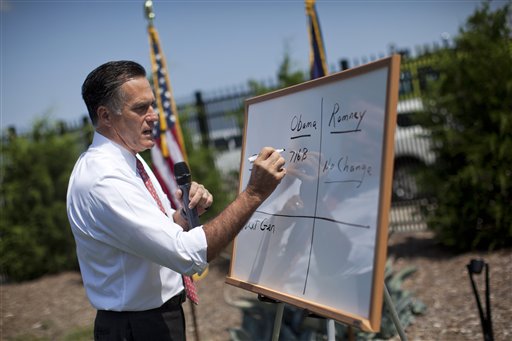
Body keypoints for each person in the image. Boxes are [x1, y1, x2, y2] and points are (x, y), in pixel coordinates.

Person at [66, 60, 286, 340]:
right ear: (106, 116)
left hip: (152, 319)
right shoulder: (104, 178)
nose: (154, 115)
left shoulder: (130, 160)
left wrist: (184, 216)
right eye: (140, 108)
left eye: (153, 105)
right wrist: (254, 193)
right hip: (137, 328)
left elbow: (156, 228)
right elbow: (188, 256)